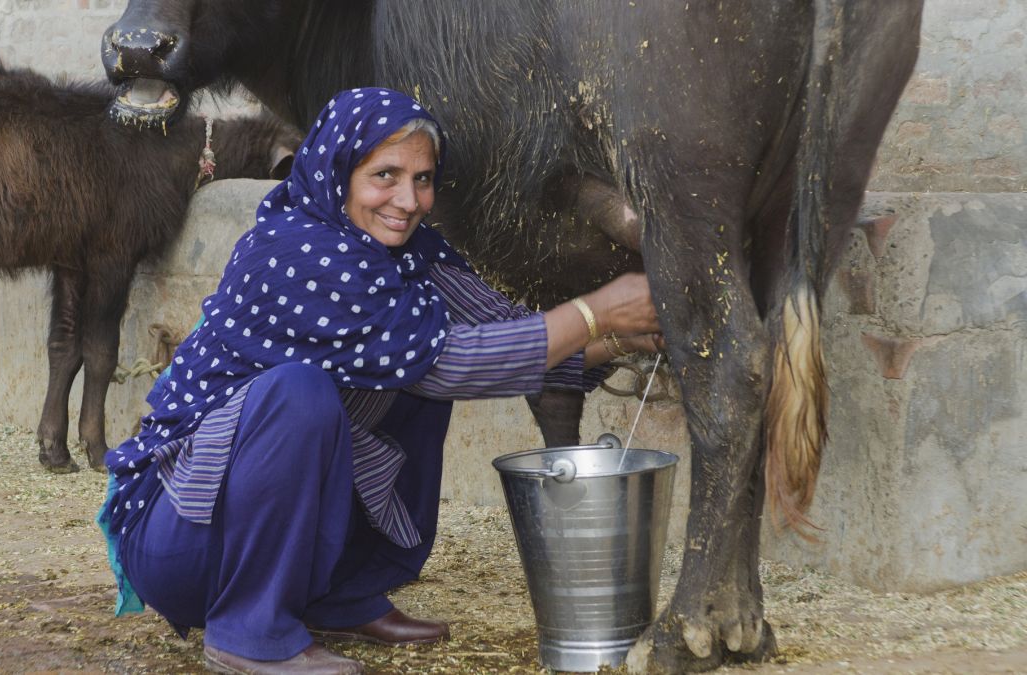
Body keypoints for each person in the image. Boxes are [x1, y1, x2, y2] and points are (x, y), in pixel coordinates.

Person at [97, 88, 661, 675]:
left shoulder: (409, 255)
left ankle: (337, 596)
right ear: (337, 172)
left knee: (413, 369)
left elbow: (505, 334)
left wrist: (625, 336)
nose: (408, 200)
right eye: (384, 175)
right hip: (179, 538)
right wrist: (598, 310)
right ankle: (250, 631)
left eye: (423, 179)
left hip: (252, 539)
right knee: (304, 394)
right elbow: (451, 362)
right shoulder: (296, 251)